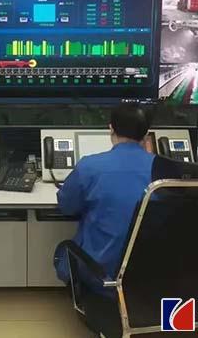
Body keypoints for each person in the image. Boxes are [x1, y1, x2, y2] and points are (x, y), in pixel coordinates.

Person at [53, 103, 154, 335]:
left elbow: (66, 206)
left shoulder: (90, 166)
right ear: (146, 135)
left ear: (111, 129)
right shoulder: (166, 171)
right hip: (154, 274)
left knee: (63, 252)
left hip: (103, 276)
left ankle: (95, 302)